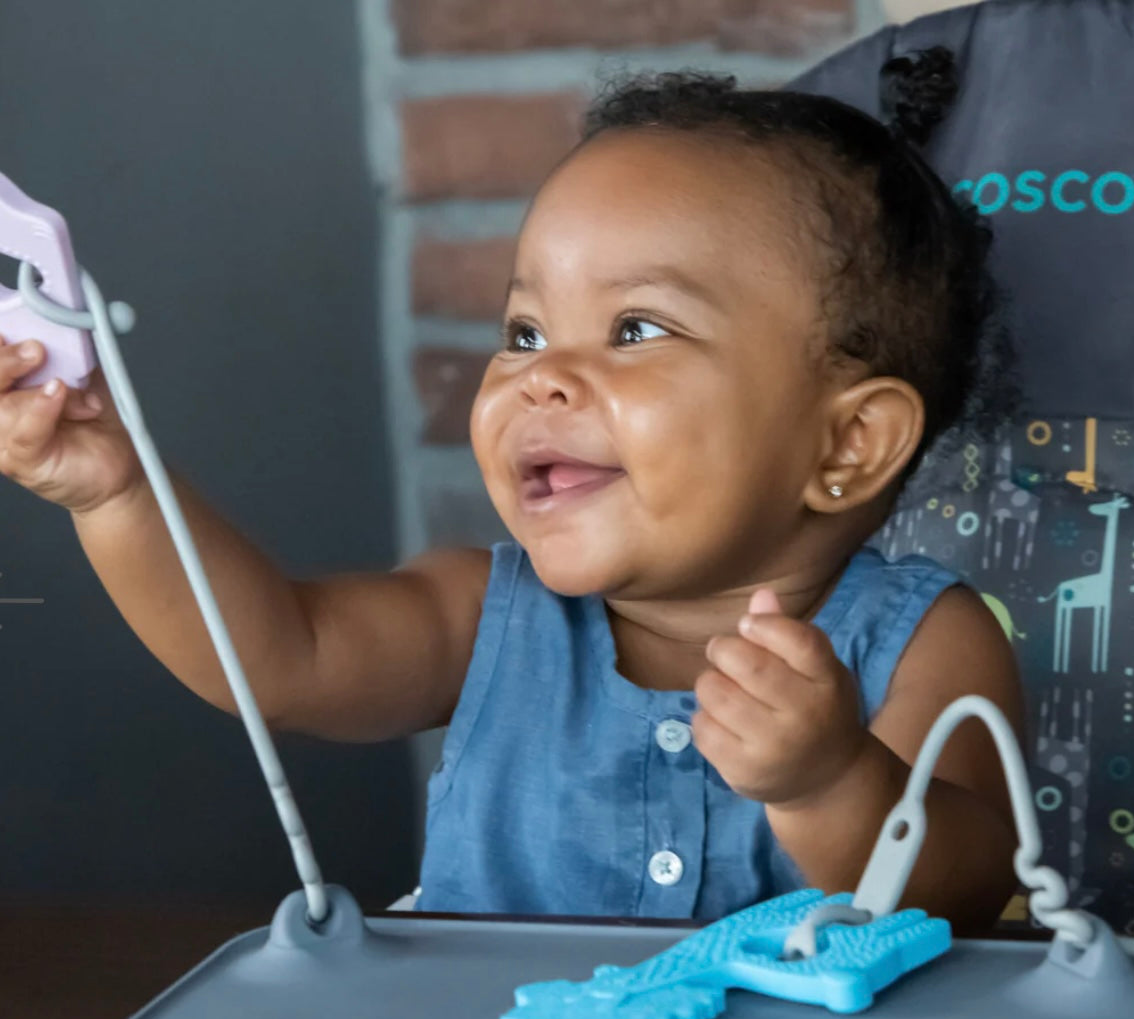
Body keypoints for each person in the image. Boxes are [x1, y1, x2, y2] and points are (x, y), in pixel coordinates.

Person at [0, 58, 1023, 931]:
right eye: (525, 333)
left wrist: (831, 779)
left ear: (847, 442)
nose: (541, 377)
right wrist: (116, 496)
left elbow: (969, 895)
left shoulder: (923, 642)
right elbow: (279, 656)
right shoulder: (481, 617)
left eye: (635, 330)